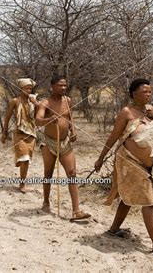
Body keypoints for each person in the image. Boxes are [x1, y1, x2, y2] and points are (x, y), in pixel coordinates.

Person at [94, 78, 153, 260]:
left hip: (145, 165)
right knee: (148, 202)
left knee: (128, 197)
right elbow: (114, 136)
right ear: (133, 93)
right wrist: (100, 158)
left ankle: (113, 230)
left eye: (150, 92)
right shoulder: (126, 112)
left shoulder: (148, 111)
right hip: (128, 160)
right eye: (144, 91)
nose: (148, 94)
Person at [35, 75, 91, 221]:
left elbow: (69, 118)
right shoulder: (45, 103)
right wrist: (49, 119)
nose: (63, 88)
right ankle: (46, 202)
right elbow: (38, 120)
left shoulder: (67, 100)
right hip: (49, 142)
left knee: (72, 173)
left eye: (65, 85)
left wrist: (73, 131)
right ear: (52, 86)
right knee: (48, 173)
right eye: (60, 85)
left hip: (65, 142)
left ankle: (76, 211)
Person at [1, 78, 39, 193]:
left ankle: (22, 183)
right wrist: (4, 133)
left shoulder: (33, 101)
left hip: (31, 133)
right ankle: (22, 185)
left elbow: (38, 117)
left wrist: (36, 105)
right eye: (26, 88)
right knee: (24, 157)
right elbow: (7, 118)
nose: (29, 90)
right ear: (20, 89)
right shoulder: (15, 101)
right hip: (19, 133)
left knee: (27, 160)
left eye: (30, 88)